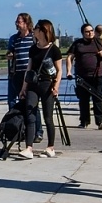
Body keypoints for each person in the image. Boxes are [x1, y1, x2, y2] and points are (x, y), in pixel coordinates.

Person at [17, 19, 63, 158]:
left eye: (36, 28)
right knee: (30, 114)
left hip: (47, 85)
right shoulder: (33, 48)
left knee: (48, 117)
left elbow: (59, 70)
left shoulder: (54, 50)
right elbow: (29, 69)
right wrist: (24, 87)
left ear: (43, 31)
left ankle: (50, 147)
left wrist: (56, 86)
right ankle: (29, 148)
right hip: (33, 85)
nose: (34, 31)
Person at [67, 22, 102, 129]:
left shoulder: (99, 42)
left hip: (98, 74)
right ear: (83, 33)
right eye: (87, 32)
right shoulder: (77, 44)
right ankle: (84, 121)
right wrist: (69, 71)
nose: (90, 33)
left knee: (98, 98)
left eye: (91, 31)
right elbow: (69, 57)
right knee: (83, 99)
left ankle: (100, 121)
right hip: (82, 76)